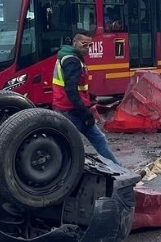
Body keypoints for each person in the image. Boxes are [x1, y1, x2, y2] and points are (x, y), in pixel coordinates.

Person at [52, 29, 121, 165]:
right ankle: (120, 172)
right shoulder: (73, 61)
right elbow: (71, 89)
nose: (87, 48)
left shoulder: (66, 57)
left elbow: (74, 85)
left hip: (64, 108)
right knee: (98, 140)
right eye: (84, 44)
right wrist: (85, 114)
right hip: (72, 110)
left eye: (89, 45)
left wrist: (89, 95)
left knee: (65, 143)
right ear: (75, 42)